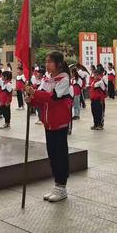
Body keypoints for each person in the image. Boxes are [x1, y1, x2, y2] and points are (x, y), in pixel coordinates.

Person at [25, 51, 73, 202]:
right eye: (46, 61)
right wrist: (31, 100)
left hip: (59, 122)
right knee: (52, 154)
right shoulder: (47, 79)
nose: (46, 64)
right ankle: (57, 185)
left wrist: (36, 94)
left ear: (58, 64)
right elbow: (41, 98)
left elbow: (53, 98)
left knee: (60, 155)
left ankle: (62, 187)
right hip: (48, 122)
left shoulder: (64, 80)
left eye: (49, 61)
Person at [89, 66, 107, 130]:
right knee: (94, 112)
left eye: (97, 75)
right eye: (94, 75)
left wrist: (102, 100)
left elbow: (103, 92)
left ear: (99, 75)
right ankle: (95, 124)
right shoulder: (93, 82)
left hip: (99, 100)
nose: (95, 76)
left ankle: (100, 125)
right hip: (93, 100)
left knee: (99, 113)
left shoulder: (100, 82)